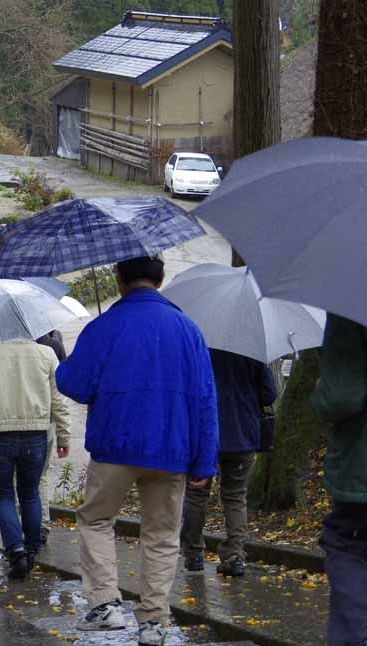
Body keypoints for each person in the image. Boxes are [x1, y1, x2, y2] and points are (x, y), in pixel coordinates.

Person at [56, 256, 218, 646]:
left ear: (119, 278)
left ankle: (105, 605)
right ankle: (153, 622)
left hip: (115, 445)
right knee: (162, 535)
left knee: (96, 520)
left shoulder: (104, 326)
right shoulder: (188, 329)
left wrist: (69, 362)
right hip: (172, 450)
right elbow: (206, 400)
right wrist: (205, 460)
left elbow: (74, 384)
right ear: (160, 280)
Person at [0, 339, 71, 579]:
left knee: (4, 495)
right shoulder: (47, 354)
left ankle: (16, 551)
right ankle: (32, 548)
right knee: (31, 493)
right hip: (35, 433)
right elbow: (58, 399)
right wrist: (64, 436)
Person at [181, 349, 277, 577]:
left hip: (204, 434)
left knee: (196, 494)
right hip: (243, 433)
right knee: (235, 496)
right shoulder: (251, 349)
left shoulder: (199, 347)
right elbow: (269, 395)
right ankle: (234, 556)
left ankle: (194, 554)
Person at [311, 314, 367, 646]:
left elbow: (340, 395)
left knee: (350, 546)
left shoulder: (355, 299)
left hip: (361, 469)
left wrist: (320, 392)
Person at [35, 329, 67, 545]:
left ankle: (20, 532)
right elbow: (59, 395)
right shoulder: (52, 347)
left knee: (16, 481)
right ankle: (41, 525)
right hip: (43, 423)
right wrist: (64, 435)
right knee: (40, 478)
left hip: (8, 428)